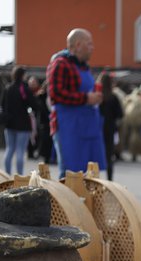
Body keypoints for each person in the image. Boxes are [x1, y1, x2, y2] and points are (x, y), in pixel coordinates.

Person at [47, 28, 105, 179]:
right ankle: (65, 202)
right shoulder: (60, 63)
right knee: (69, 175)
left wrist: (95, 98)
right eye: (89, 44)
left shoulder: (83, 66)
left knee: (88, 174)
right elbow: (56, 94)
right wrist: (86, 98)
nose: (93, 48)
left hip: (86, 126)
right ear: (78, 45)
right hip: (68, 127)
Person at [1, 66, 37, 175]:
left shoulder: (8, 88)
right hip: (22, 124)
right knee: (20, 151)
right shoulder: (24, 88)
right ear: (22, 75)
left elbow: (2, 105)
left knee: (9, 149)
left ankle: (7, 174)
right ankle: (20, 175)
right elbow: (33, 104)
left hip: (9, 123)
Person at [96, 71, 123, 180]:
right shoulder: (113, 97)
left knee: (94, 155)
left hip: (96, 129)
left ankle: (94, 179)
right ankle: (110, 179)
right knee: (108, 156)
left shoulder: (96, 96)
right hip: (110, 129)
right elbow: (120, 114)